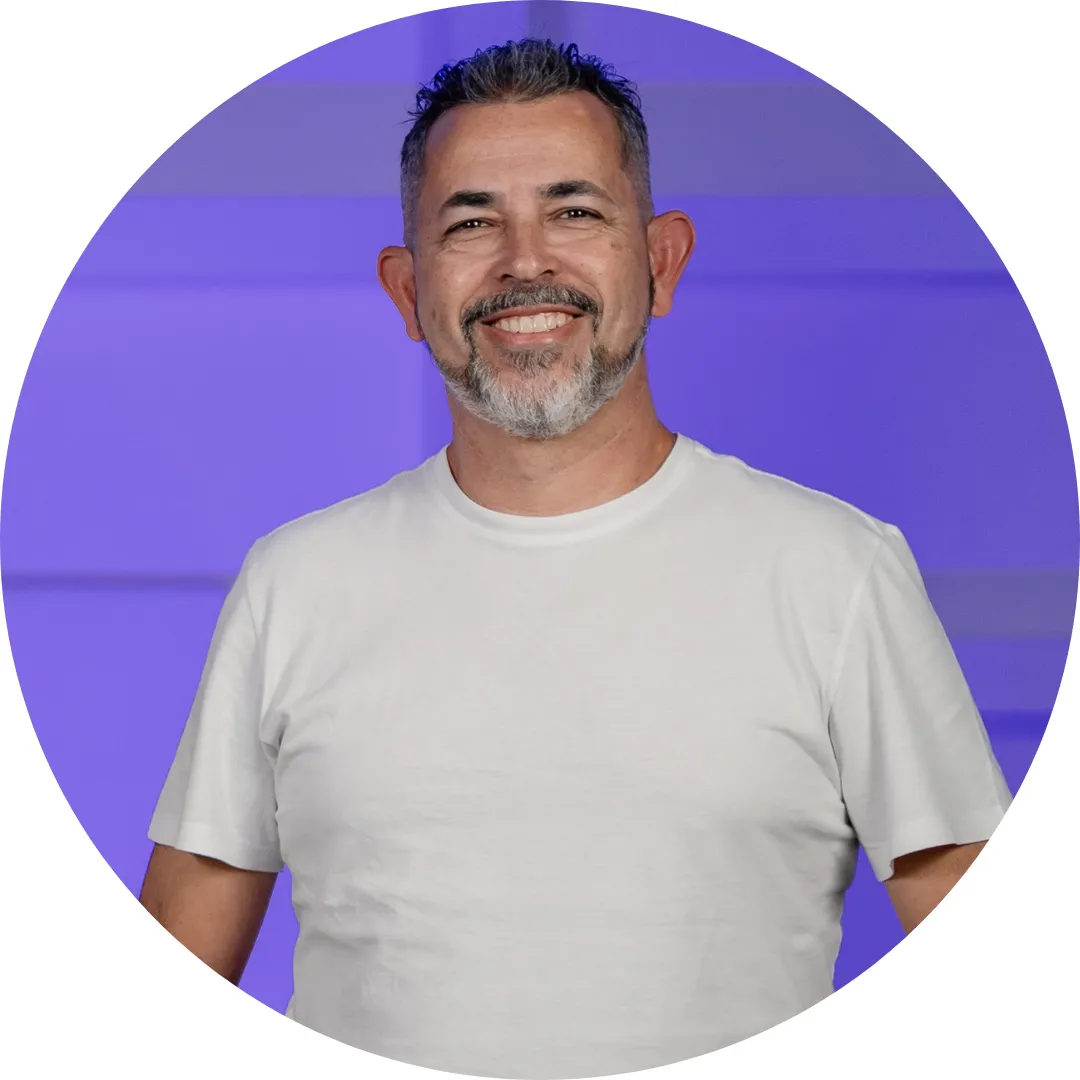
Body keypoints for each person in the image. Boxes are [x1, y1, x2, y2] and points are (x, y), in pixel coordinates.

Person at [140, 39, 1012, 1080]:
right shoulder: (294, 585)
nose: (525, 263)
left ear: (661, 262)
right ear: (407, 291)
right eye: (471, 223)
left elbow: (998, 992)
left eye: (576, 212)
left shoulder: (838, 573)